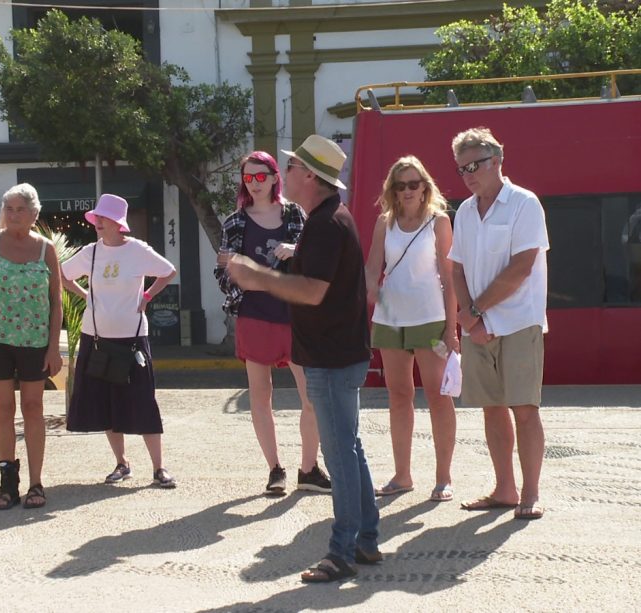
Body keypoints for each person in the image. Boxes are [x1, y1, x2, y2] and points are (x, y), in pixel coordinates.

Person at [227, 135, 380, 583]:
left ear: (309, 176)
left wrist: (260, 277)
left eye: (290, 168)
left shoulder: (325, 224)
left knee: (341, 452)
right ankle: (366, 541)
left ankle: (344, 550)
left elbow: (312, 291)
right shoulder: (327, 220)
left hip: (331, 357)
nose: (284, 175)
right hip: (336, 353)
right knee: (350, 450)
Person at [448, 127, 549, 521]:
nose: (468, 174)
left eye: (475, 165)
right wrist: (468, 317)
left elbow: (521, 268)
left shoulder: (525, 204)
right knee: (491, 408)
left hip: (518, 323)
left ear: (498, 162)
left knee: (525, 408)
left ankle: (531, 493)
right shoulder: (466, 211)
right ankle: (504, 489)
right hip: (477, 326)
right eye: (461, 169)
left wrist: (475, 312)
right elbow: (455, 267)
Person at [215, 150, 329, 496]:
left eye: (261, 175)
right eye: (248, 177)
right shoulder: (235, 222)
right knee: (260, 396)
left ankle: (309, 468)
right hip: (255, 315)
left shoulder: (296, 214)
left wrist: (295, 250)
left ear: (274, 176)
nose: (255, 183)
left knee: (311, 396)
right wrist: (238, 270)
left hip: (295, 315)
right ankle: (274, 469)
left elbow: (318, 259)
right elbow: (222, 275)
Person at [61, 194, 178, 488]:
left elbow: (168, 271)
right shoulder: (91, 252)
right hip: (97, 338)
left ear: (117, 223)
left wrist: (147, 296)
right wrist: (85, 295)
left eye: (103, 218)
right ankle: (122, 464)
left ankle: (159, 468)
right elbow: (62, 275)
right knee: (106, 404)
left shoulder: (137, 250)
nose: (97, 222)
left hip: (133, 339)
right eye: (97, 218)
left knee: (143, 402)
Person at [364, 156, 458, 503]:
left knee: (438, 396)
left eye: (413, 184)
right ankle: (402, 475)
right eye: (400, 185)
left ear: (425, 187)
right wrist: (370, 295)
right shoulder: (383, 224)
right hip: (390, 321)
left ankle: (443, 477)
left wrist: (452, 329)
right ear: (392, 190)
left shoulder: (439, 222)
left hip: (430, 319)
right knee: (399, 396)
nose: (407, 191)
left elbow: (449, 278)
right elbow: (373, 269)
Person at [0, 183, 63, 510]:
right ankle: (8, 482)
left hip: (34, 342)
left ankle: (36, 483)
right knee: (2, 409)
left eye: (21, 210)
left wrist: (53, 348)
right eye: (10, 209)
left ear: (35, 215)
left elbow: (55, 301)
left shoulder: (45, 249)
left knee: (33, 408)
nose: (14, 215)